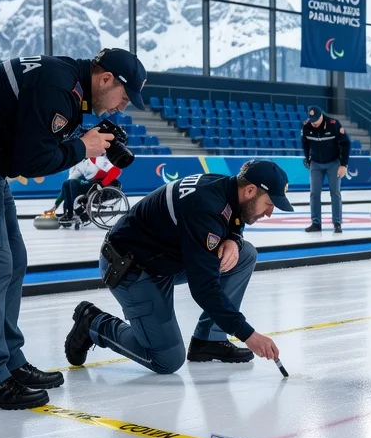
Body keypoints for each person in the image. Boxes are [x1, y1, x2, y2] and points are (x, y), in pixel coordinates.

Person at [0, 48, 141, 409]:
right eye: (124, 97)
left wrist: (74, 142)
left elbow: (22, 154)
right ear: (105, 80)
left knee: (13, 259)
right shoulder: (59, 87)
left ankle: (9, 361)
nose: (121, 108)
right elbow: (30, 161)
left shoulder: (66, 81)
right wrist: (81, 147)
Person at [64, 160, 289, 374]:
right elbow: (204, 288)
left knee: (244, 254)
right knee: (166, 360)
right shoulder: (205, 206)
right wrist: (248, 334)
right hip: (130, 268)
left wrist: (234, 239)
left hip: (160, 258)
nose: (270, 212)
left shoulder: (224, 187)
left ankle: (209, 340)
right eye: (269, 203)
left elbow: (234, 218)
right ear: (250, 191)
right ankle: (93, 322)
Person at [301, 107, 349, 233]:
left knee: (335, 192)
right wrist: (308, 158)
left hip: (333, 163)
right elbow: (305, 143)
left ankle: (337, 223)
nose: (314, 123)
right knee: (314, 193)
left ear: (321, 116)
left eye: (316, 120)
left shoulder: (333, 124)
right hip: (316, 164)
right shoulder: (306, 126)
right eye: (312, 120)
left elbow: (346, 144)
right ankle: (316, 223)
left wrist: (344, 165)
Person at [45, 154, 119, 227]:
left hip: (103, 184)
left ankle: (78, 209)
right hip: (91, 184)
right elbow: (66, 186)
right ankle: (69, 214)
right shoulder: (79, 164)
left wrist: (102, 184)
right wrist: (55, 206)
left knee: (73, 183)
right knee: (67, 183)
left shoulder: (98, 159)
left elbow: (116, 171)